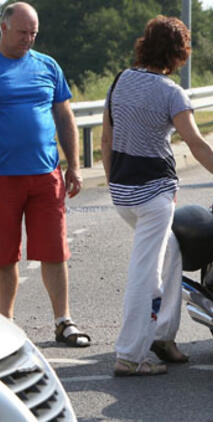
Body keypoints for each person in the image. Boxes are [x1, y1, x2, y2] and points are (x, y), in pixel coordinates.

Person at [101, 15, 213, 376]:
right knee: (146, 273)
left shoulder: (120, 81)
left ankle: (163, 335)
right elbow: (196, 144)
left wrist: (115, 183)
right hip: (154, 197)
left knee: (171, 255)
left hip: (124, 193)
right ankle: (130, 355)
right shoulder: (171, 93)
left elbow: (106, 140)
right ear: (179, 53)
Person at [0, 2, 91, 347]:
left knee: (55, 252)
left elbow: (65, 117)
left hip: (45, 175)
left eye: (33, 33)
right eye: (22, 32)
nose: (28, 39)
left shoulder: (47, 65)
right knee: (4, 256)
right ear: (4, 27)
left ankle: (63, 321)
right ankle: (5, 326)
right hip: (2, 177)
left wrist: (75, 165)